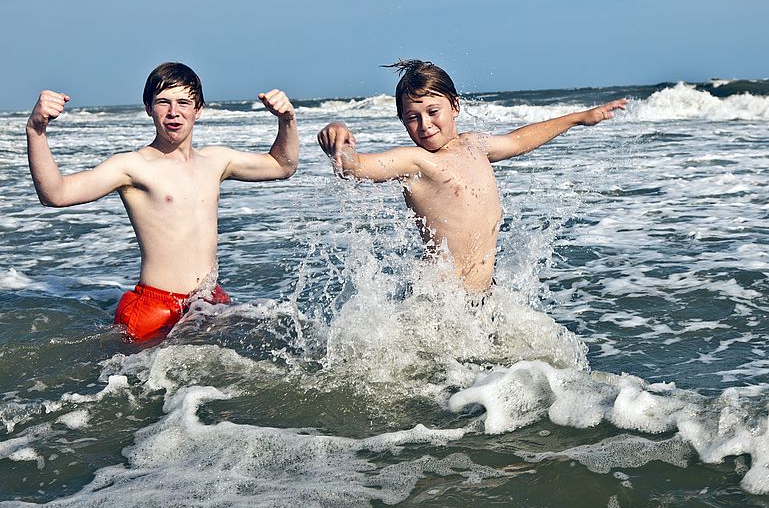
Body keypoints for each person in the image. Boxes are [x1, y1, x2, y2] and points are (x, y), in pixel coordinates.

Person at [26, 62, 299, 341]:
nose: (174, 112)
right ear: (148, 108)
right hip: (154, 308)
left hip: (207, 301)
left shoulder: (216, 161)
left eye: (184, 102)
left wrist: (286, 119)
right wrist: (36, 131)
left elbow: (282, 165)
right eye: (163, 102)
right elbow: (55, 194)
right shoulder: (132, 165)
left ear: (199, 109)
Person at [317, 59, 627, 293]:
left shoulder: (475, 144)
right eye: (412, 118)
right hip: (440, 304)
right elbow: (355, 168)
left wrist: (579, 118)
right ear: (402, 121)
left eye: (432, 111)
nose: (424, 125)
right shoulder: (416, 161)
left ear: (454, 106)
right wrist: (339, 139)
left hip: (483, 298)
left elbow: (520, 141)